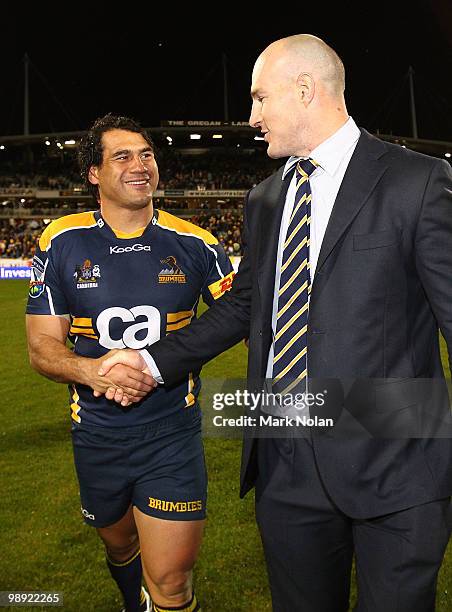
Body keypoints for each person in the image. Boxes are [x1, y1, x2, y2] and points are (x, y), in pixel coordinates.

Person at [98, 36, 452, 612]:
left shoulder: (416, 180)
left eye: (260, 99)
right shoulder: (264, 199)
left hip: (397, 465)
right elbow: (244, 306)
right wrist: (149, 361)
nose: (252, 116)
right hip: (285, 461)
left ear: (305, 90)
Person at [26, 113, 234, 612]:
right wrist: (94, 371)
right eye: (122, 156)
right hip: (97, 435)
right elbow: (41, 347)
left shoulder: (197, 243)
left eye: (147, 154)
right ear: (93, 173)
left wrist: (156, 366)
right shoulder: (60, 241)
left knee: (170, 579)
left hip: (172, 435)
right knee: (121, 547)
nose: (140, 165)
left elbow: (239, 315)